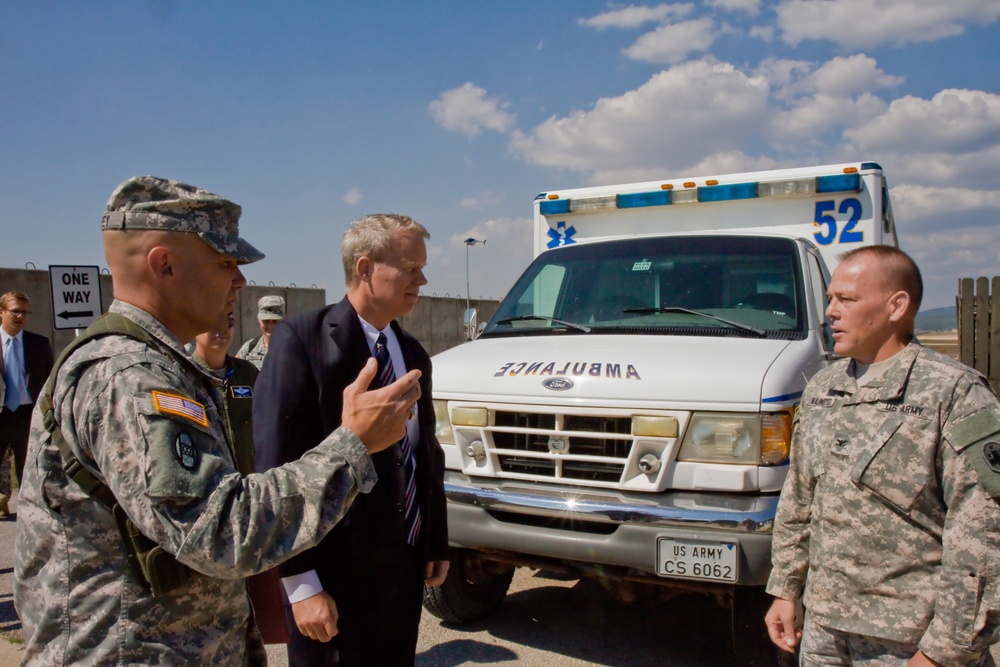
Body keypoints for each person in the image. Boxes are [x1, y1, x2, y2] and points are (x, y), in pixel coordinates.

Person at [13, 176, 422, 666]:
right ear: (164, 264)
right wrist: (353, 445)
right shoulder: (128, 377)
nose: (240, 281)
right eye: (225, 262)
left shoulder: (162, 368)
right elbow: (221, 532)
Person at [765, 246, 1000, 666]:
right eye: (830, 299)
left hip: (909, 641)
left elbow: (983, 536)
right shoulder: (822, 389)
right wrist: (786, 588)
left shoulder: (954, 394)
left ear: (897, 306)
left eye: (847, 300)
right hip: (823, 633)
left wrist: (944, 651)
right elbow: (799, 501)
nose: (831, 312)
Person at [254, 213, 448, 667]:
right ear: (364, 268)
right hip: (332, 581)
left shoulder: (413, 353)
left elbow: (426, 456)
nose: (422, 278)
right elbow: (273, 467)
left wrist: (436, 540)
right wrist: (300, 585)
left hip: (400, 573)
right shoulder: (300, 342)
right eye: (410, 267)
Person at [0, 291, 53, 515]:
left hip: (27, 414)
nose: (20, 316)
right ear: (1, 312)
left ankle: (30, 512)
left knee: (29, 465)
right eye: (15, 311)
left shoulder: (38, 344)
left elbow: (51, 380)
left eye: (25, 312)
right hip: (1, 413)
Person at [236, 294, 285, 369]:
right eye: (266, 321)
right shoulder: (249, 348)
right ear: (259, 320)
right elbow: (235, 374)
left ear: (285, 320)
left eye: (275, 321)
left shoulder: (295, 349)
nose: (270, 326)